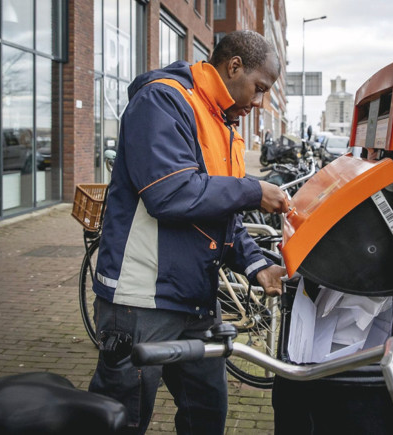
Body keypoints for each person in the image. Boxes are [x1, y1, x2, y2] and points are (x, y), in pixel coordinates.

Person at [88, 30, 289, 435]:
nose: (260, 102)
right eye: (259, 88)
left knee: (207, 411)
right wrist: (253, 189)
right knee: (120, 418)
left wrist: (256, 264)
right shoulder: (162, 101)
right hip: (141, 300)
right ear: (234, 66)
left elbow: (221, 211)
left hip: (193, 299)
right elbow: (170, 193)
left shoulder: (224, 123)